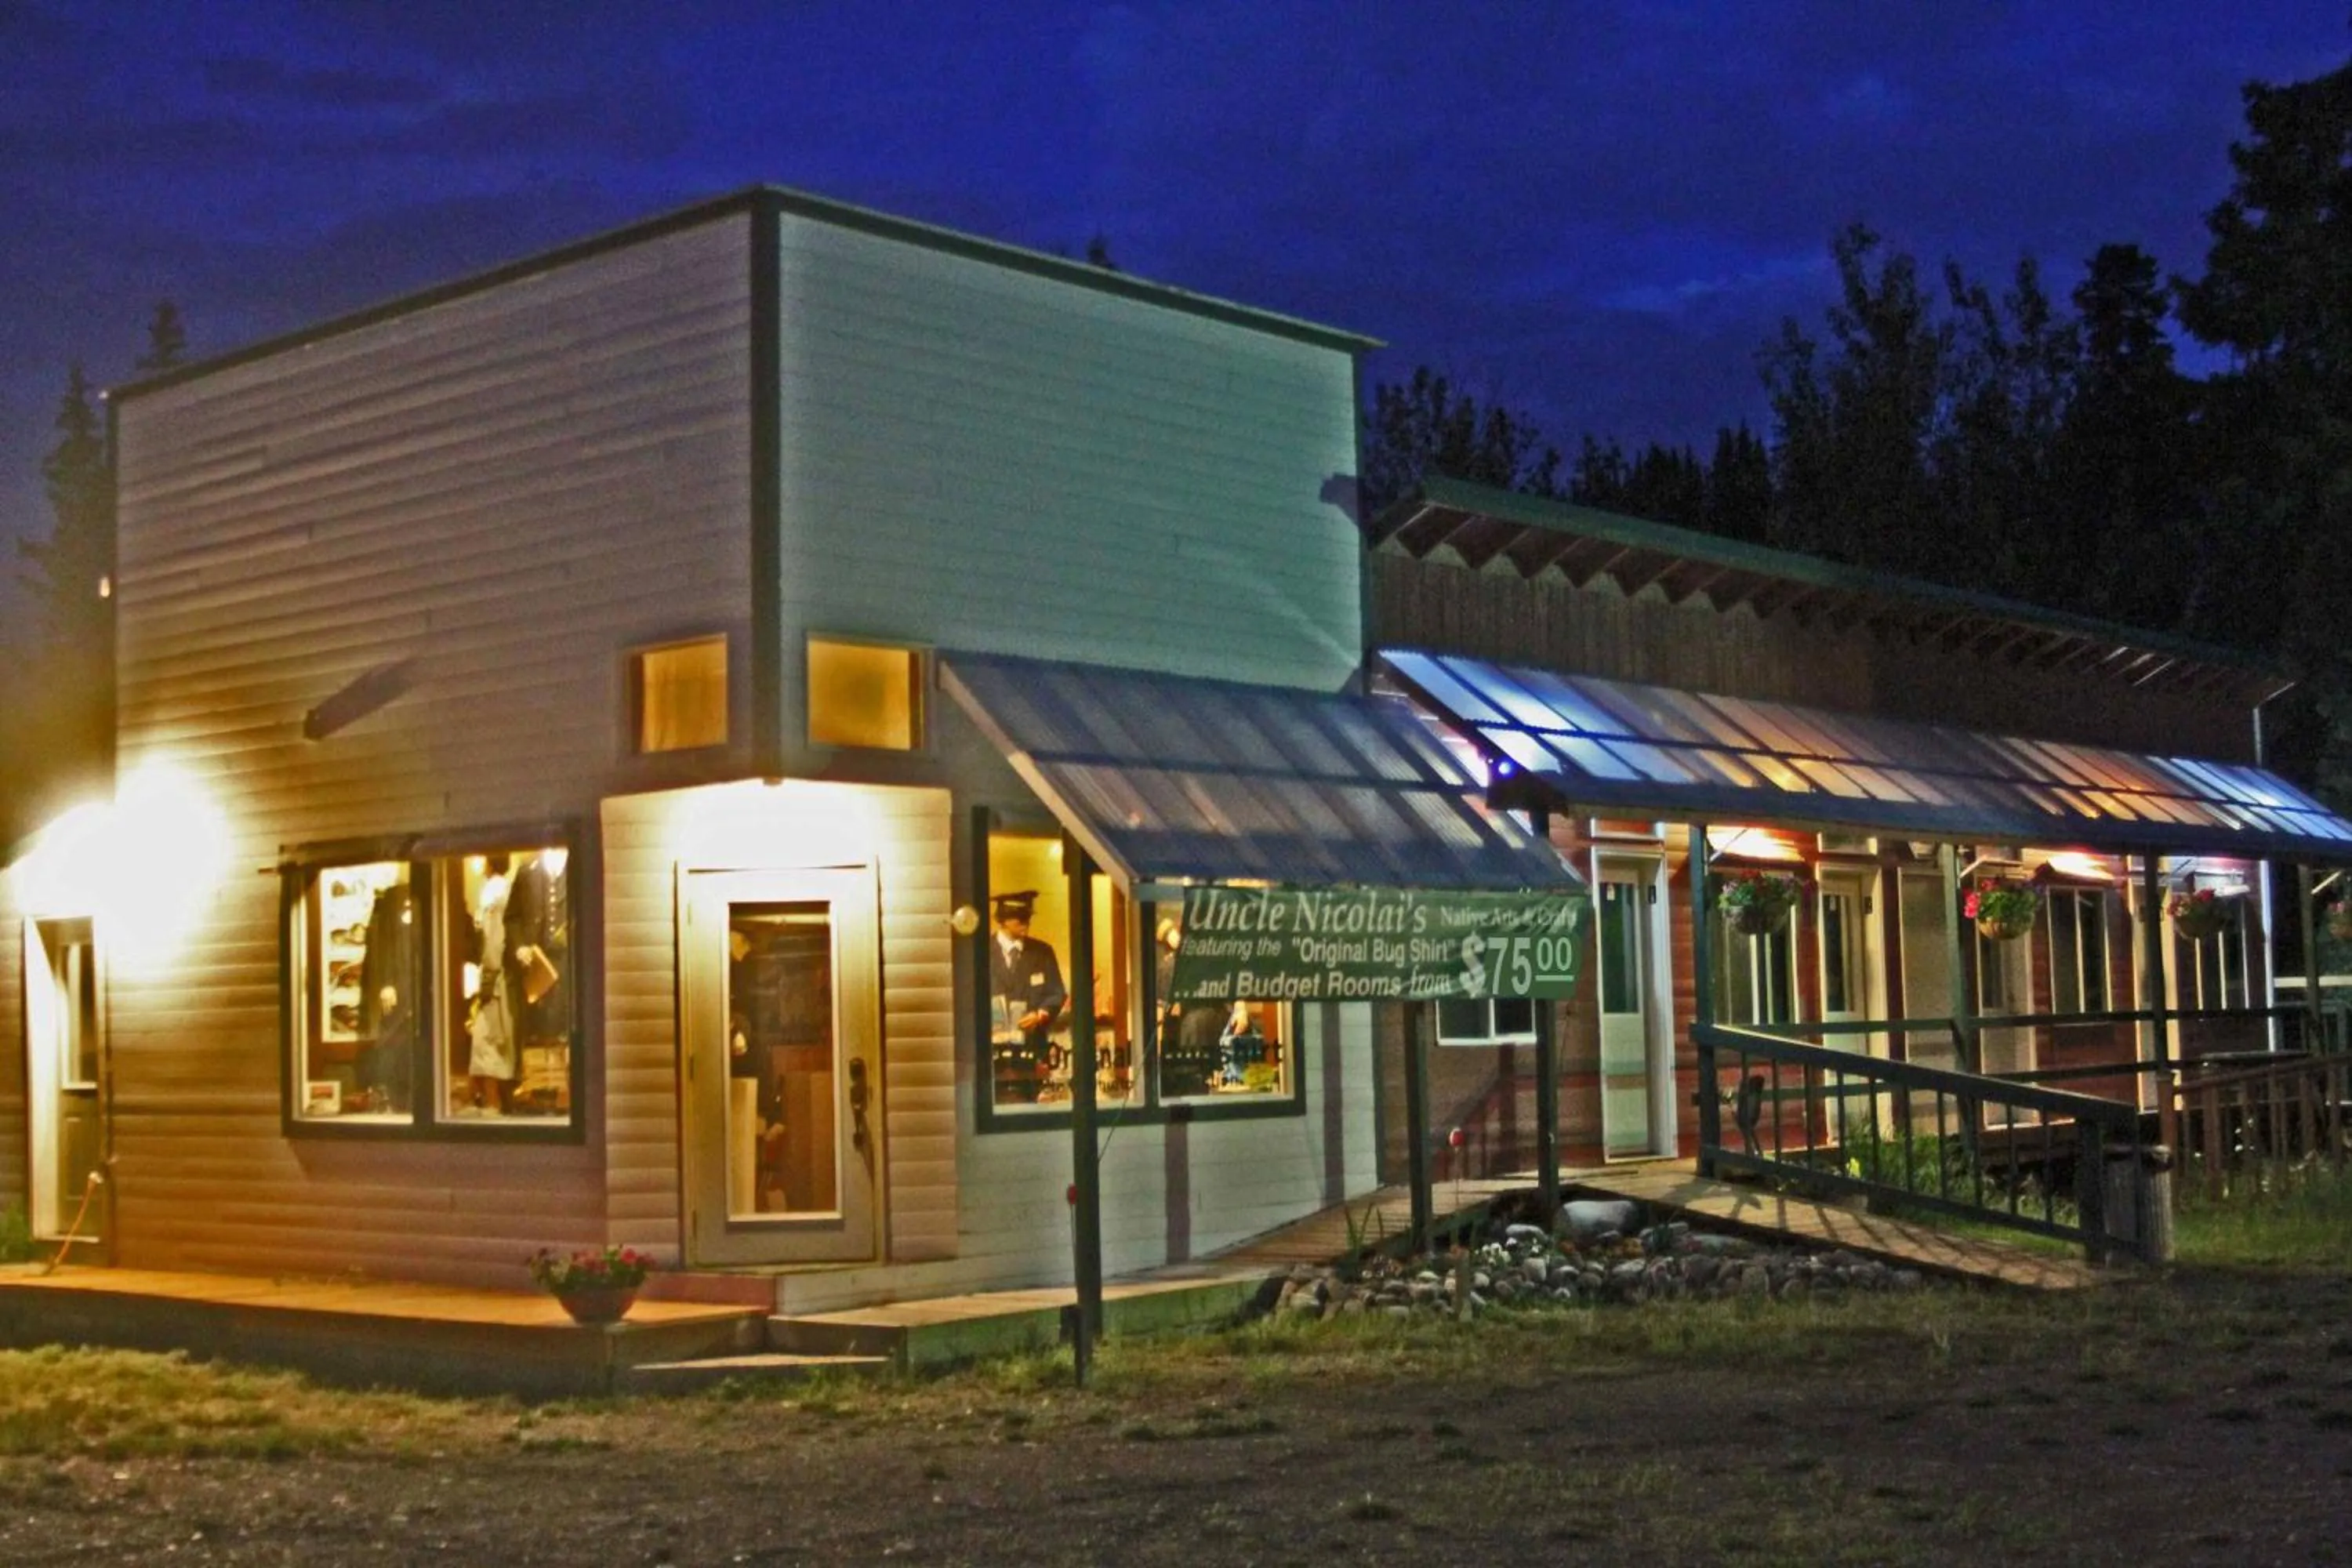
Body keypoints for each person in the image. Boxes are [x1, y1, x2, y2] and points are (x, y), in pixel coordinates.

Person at [988, 891, 1066, 1103]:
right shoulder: (981, 952)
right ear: (1002, 920)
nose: (1025, 922)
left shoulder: (1042, 952)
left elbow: (1057, 992)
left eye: (1028, 917)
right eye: (1019, 917)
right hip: (992, 1055)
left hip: (1031, 1052)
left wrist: (1041, 1014)